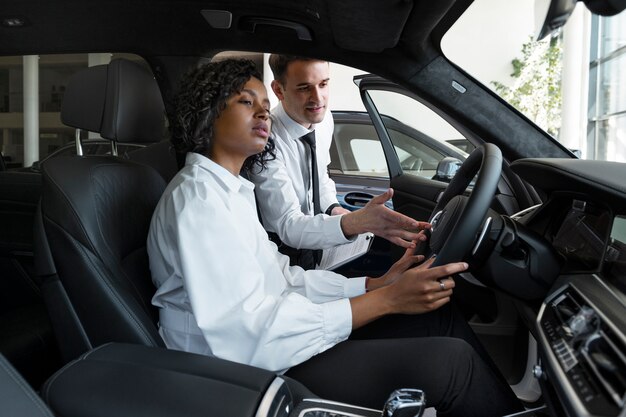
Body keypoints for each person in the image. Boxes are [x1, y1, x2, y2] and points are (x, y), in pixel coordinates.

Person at [147, 58, 523, 417]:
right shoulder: (198, 200)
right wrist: (387, 300)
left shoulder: (230, 190)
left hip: (275, 342)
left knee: (438, 316)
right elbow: (249, 335)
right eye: (247, 102)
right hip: (243, 373)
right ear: (209, 114)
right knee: (452, 365)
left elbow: (285, 280)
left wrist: (376, 285)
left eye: (265, 104)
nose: (264, 113)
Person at [249, 55, 424, 269]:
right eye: (304, 88)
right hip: (282, 253)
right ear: (278, 90)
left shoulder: (324, 120)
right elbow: (288, 224)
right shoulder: (266, 140)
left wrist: (334, 208)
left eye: (323, 84)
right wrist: (357, 222)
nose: (318, 98)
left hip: (317, 241)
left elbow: (321, 175)